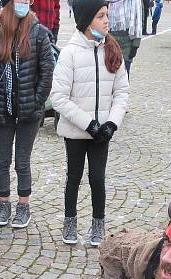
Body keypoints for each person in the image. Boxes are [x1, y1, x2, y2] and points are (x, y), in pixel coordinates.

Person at [51, 0, 129, 246]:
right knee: (73, 177)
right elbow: (59, 98)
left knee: (98, 178)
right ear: (86, 21)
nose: (107, 21)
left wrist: (111, 124)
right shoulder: (70, 53)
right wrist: (89, 124)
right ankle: (70, 221)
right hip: (76, 131)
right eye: (101, 16)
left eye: (107, 15)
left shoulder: (112, 50)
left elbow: (122, 92)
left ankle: (98, 224)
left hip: (101, 134)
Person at [0, 0, 55, 229]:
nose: (24, 2)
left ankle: (23, 206)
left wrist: (36, 103)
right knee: (2, 160)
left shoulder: (38, 31)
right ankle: (4, 203)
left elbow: (47, 71)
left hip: (28, 111)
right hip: (2, 109)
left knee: (22, 162)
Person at [108, 0, 143, 75]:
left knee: (124, 76)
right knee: (109, 75)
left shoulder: (135, 2)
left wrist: (135, 45)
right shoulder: (107, 2)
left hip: (127, 45)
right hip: (109, 44)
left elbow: (138, 21)